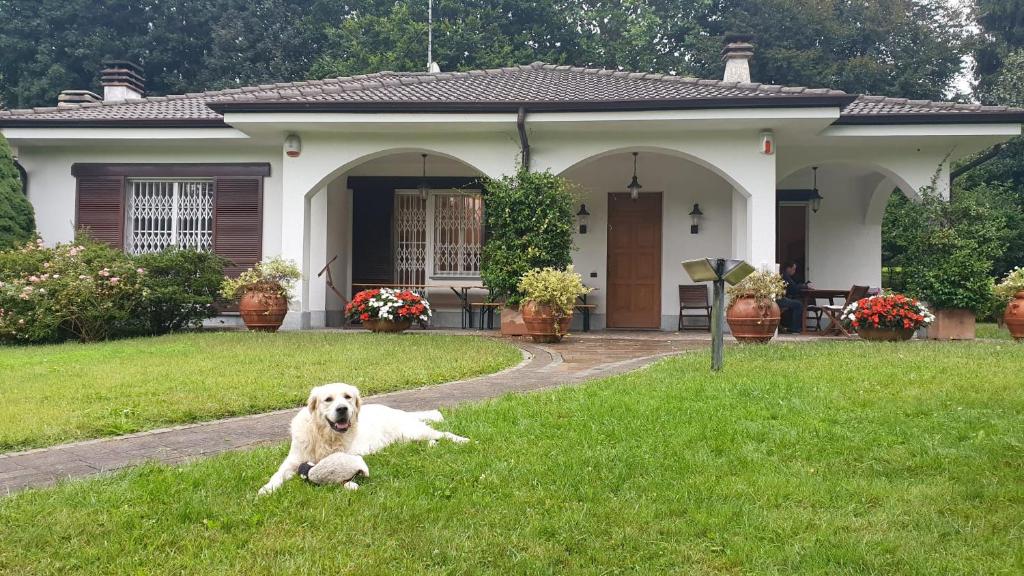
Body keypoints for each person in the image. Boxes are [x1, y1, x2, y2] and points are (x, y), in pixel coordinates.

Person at [778, 261, 810, 333]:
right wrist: (804, 286)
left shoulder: (784, 275)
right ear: (788, 268)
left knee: (796, 302)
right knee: (798, 305)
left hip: (782, 298)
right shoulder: (785, 276)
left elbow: (792, 288)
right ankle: (795, 328)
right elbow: (794, 288)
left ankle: (790, 326)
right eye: (793, 269)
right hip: (780, 299)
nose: (794, 271)